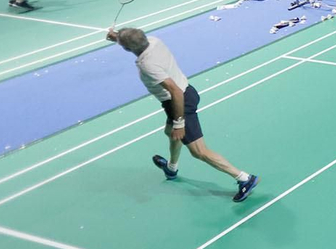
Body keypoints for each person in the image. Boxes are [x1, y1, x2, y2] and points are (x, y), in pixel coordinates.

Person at [108, 26, 258, 201]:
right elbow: (134, 40)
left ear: (127, 48)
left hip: (179, 103)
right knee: (170, 133)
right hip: (187, 92)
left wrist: (179, 123)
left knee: (199, 151)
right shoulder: (154, 41)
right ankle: (171, 168)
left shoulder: (147, 64)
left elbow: (175, 92)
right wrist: (118, 37)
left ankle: (244, 179)